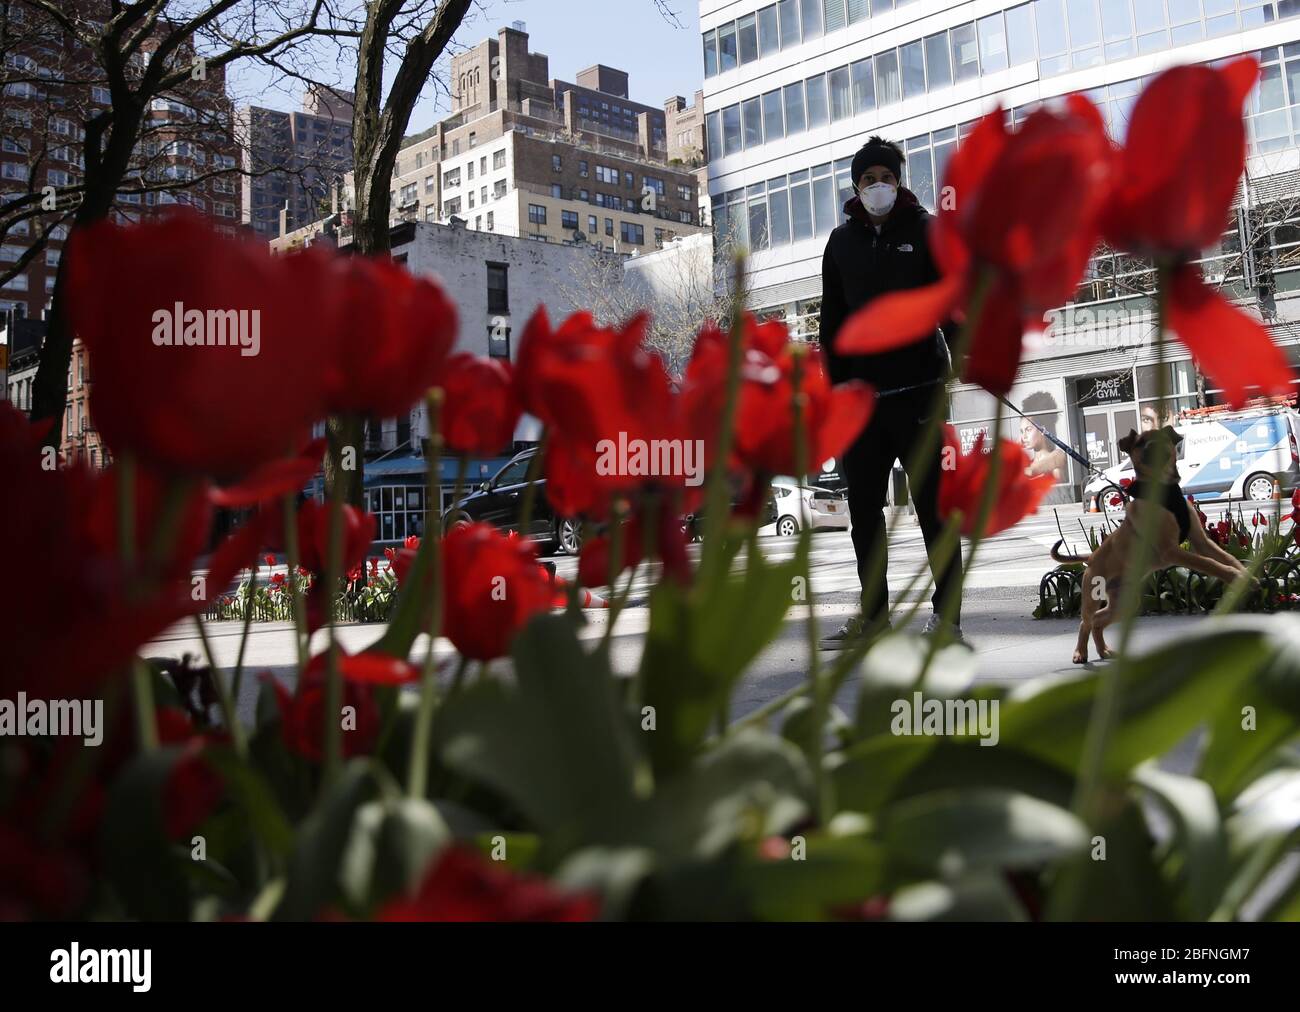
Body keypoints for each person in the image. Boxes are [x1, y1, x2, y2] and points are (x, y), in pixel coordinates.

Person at [817, 137, 964, 648]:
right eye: (867, 179)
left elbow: (950, 303)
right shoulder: (840, 244)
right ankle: (873, 614)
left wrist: (965, 356)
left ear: (898, 181)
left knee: (933, 511)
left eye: (885, 177)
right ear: (856, 186)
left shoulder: (926, 231)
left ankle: (947, 619)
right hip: (862, 404)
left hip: (920, 393)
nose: (877, 186)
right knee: (863, 514)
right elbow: (830, 324)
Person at [1020, 391, 1067, 482]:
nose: (1024, 436)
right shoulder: (1028, 464)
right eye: (1022, 431)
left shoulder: (1057, 456)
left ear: (1042, 429)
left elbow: (1032, 471)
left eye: (1028, 429)